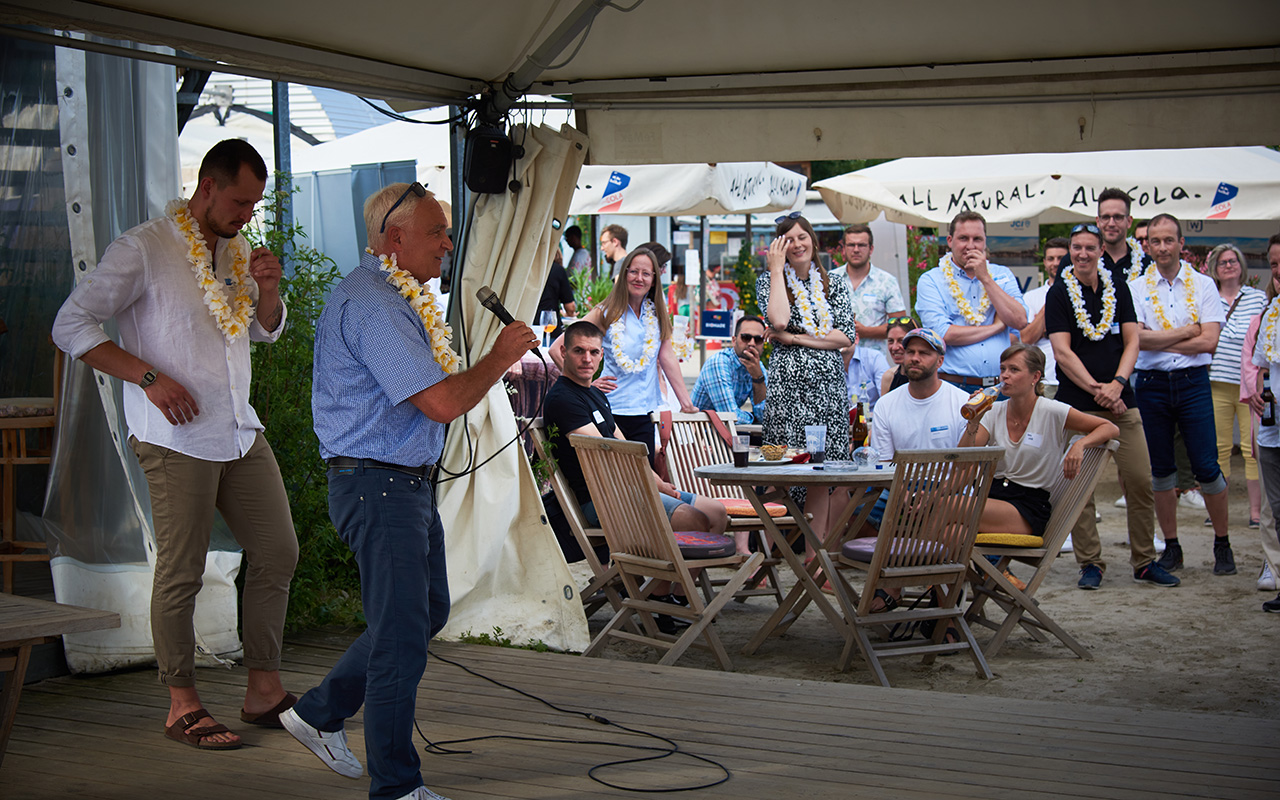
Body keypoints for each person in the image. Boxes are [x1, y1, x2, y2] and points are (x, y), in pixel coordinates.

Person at [280, 184, 537, 800]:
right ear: (394, 239)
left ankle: (318, 712)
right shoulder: (375, 304)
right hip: (378, 484)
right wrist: (499, 357)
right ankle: (395, 786)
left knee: (427, 612)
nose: (448, 243)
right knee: (399, 635)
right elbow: (442, 402)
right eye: (437, 233)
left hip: (400, 483)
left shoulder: (395, 297)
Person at [51, 139, 298, 750]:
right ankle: (181, 701)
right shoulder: (144, 247)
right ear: (207, 187)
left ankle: (263, 688)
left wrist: (268, 290)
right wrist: (148, 377)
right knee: (182, 570)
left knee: (278, 551)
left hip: (239, 429)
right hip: (176, 436)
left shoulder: (236, 251)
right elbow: (70, 325)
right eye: (240, 201)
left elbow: (260, 335)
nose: (247, 215)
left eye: (254, 205)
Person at [544, 321, 729, 597]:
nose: (587, 359)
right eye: (579, 351)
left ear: (601, 355)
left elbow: (622, 444)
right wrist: (654, 484)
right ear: (564, 352)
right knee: (694, 521)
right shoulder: (563, 399)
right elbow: (607, 458)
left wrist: (656, 481)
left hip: (628, 490)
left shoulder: (595, 393)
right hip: (600, 499)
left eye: (594, 352)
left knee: (717, 514)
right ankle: (659, 597)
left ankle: (677, 596)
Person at [1046, 224, 1178, 588]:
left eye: (1090, 247)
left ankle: (1144, 561)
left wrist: (1117, 385)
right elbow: (1062, 351)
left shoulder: (1118, 287)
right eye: (1076, 248)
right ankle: (1090, 562)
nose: (1083, 254)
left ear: (1101, 250)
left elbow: (1133, 340)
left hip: (1122, 402)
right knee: (1079, 487)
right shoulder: (1059, 293)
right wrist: (1095, 389)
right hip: (1078, 403)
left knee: (1139, 479)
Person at [1131, 214, 1234, 576]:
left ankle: (1222, 543)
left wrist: (1166, 337)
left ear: (1180, 244)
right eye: (1154, 241)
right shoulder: (1136, 287)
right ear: (1148, 245)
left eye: (1168, 240)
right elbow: (1138, 339)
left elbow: (1210, 340)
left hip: (1193, 382)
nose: (1161, 247)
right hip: (1152, 383)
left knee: (1206, 467)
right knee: (1161, 470)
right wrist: (1187, 331)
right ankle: (1171, 547)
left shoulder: (1203, 284)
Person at [550, 246, 696, 465]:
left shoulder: (657, 313)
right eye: (634, 271)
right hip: (611, 412)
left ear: (654, 280)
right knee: (615, 477)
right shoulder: (606, 311)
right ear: (624, 274)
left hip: (645, 412)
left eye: (646, 273)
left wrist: (687, 404)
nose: (639, 278)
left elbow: (666, 357)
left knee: (643, 479)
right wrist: (585, 386)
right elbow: (558, 348)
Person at [758, 213, 854, 541]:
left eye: (803, 237)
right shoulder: (769, 281)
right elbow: (779, 321)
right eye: (789, 240)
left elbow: (845, 337)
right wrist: (775, 269)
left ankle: (818, 557)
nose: (798, 245)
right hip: (789, 391)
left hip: (827, 389)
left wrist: (797, 340)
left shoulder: (836, 283)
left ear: (813, 240)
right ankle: (767, 553)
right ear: (779, 246)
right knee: (781, 469)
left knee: (824, 472)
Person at [959, 344, 1117, 536]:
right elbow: (963, 460)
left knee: (943, 506)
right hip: (990, 496)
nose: (1004, 376)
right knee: (951, 532)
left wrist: (1079, 444)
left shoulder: (1052, 411)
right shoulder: (994, 412)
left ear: (1035, 377)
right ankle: (979, 568)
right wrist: (974, 420)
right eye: (1002, 369)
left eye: (1014, 369)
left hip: (1027, 505)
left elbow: (1109, 427)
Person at [916, 211, 1027, 391]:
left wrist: (986, 279)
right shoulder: (931, 280)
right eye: (963, 238)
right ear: (950, 241)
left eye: (977, 239)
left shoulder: (1001, 275)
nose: (970, 245)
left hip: (1001, 387)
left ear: (985, 242)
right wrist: (997, 327)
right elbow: (943, 335)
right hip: (954, 385)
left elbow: (1020, 320)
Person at [1207, 243, 1266, 529]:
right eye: (1222, 262)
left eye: (1233, 261)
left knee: (1251, 449)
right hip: (1215, 381)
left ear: (1242, 266)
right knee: (1218, 449)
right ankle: (1220, 512)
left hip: (1248, 386)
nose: (1228, 265)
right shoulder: (1208, 298)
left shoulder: (1256, 298)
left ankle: (1256, 513)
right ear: (1214, 269)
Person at [1247, 234, 1280, 611]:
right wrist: (1257, 388)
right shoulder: (1271, 312)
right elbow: (1261, 366)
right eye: (1273, 264)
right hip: (1272, 427)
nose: (1279, 270)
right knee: (1277, 508)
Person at [834, 223, 907, 359]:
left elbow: (901, 326)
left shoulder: (887, 282)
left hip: (872, 363)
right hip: (835, 362)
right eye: (851, 245)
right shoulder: (830, 280)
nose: (856, 250)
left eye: (861, 245)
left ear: (871, 249)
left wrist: (866, 331)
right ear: (843, 249)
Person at [691, 315, 767, 426]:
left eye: (758, 339)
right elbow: (730, 416)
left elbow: (765, 417)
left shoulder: (758, 366)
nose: (752, 343)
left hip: (725, 433)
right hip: (698, 434)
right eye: (746, 337)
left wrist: (758, 379)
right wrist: (753, 418)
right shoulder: (719, 363)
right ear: (734, 340)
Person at [1018, 236, 1068, 395]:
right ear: (1045, 262)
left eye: (1061, 258)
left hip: (1076, 380)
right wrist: (1054, 296)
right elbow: (1026, 338)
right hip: (1046, 380)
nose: (1055, 263)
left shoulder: (1081, 293)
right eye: (1050, 259)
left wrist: (1045, 331)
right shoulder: (1031, 297)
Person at [536, 248, 577, 341]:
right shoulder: (558, 270)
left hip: (529, 327)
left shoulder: (528, 270)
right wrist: (568, 314)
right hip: (551, 329)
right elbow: (570, 307)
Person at [844, 330, 891, 410]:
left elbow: (887, 401)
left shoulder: (875, 358)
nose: (840, 340)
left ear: (856, 338)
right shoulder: (826, 364)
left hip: (872, 419)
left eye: (844, 334)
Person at [878, 316, 917, 400]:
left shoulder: (925, 376)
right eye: (890, 341)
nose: (894, 347)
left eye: (901, 341)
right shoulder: (889, 377)